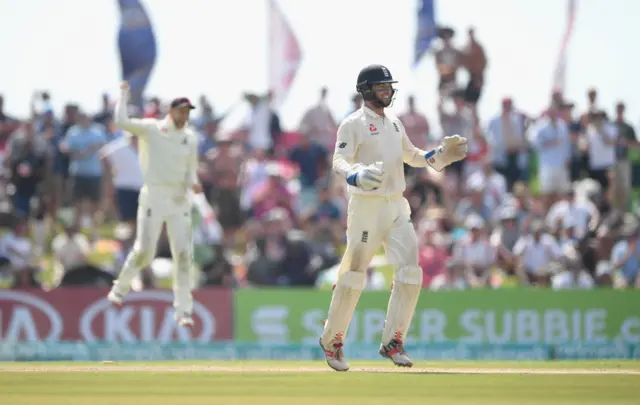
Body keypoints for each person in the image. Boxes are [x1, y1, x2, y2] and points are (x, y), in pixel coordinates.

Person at [319, 64, 467, 371]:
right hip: (366, 206)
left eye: (389, 87)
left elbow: (411, 155)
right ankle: (332, 341)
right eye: (381, 87)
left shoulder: (395, 124)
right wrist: (356, 175)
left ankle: (393, 342)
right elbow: (339, 160)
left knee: (411, 271)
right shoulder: (353, 123)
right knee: (354, 274)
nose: (387, 92)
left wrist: (438, 156)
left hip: (396, 205)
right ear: (367, 90)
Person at [106, 81, 202, 327]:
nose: (185, 116)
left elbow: (190, 171)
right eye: (181, 111)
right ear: (171, 112)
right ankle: (119, 289)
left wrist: (194, 183)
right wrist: (124, 94)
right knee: (144, 250)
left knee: (182, 254)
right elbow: (121, 121)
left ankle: (183, 312)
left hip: (179, 200)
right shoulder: (151, 129)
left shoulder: (190, 138)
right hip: (154, 196)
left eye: (188, 112)